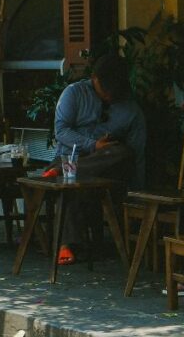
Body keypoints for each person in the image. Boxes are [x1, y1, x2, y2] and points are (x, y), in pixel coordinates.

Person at [48, 53, 146, 265]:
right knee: (71, 185)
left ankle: (69, 171)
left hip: (104, 165)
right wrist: (92, 145)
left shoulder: (132, 111)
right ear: (94, 79)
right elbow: (61, 131)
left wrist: (138, 192)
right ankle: (67, 245)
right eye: (106, 88)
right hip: (70, 155)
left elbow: (137, 153)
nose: (110, 94)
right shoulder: (73, 94)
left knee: (122, 153)